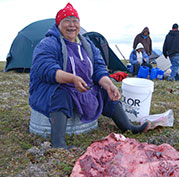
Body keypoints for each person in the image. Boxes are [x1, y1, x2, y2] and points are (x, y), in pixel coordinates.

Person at [29, 3, 150, 149]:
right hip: (52, 88)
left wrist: (109, 84)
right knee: (61, 94)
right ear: (58, 24)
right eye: (67, 20)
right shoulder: (48, 43)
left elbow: (99, 67)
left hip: (81, 86)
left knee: (105, 89)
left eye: (75, 21)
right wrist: (72, 79)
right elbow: (45, 69)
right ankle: (58, 142)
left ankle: (128, 126)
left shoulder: (88, 45)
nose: (72, 25)